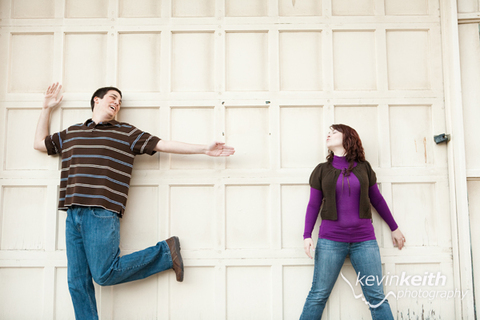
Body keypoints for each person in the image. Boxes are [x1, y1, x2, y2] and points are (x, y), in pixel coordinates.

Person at [33, 83, 235, 320]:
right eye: (112, 97)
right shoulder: (73, 132)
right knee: (76, 282)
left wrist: (203, 149)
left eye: (119, 101)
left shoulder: (126, 132)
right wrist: (46, 108)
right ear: (96, 100)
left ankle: (165, 253)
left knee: (104, 274)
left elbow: (162, 144)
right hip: (72, 212)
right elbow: (40, 143)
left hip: (102, 211)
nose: (117, 103)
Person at [300, 124, 405, 320]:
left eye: (334, 132)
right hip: (330, 240)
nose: (328, 135)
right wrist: (307, 235)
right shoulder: (322, 170)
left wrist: (394, 228)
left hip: (364, 241)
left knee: (376, 297)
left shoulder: (364, 168)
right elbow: (313, 205)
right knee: (318, 295)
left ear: (348, 137)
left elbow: (377, 200)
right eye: (328, 133)